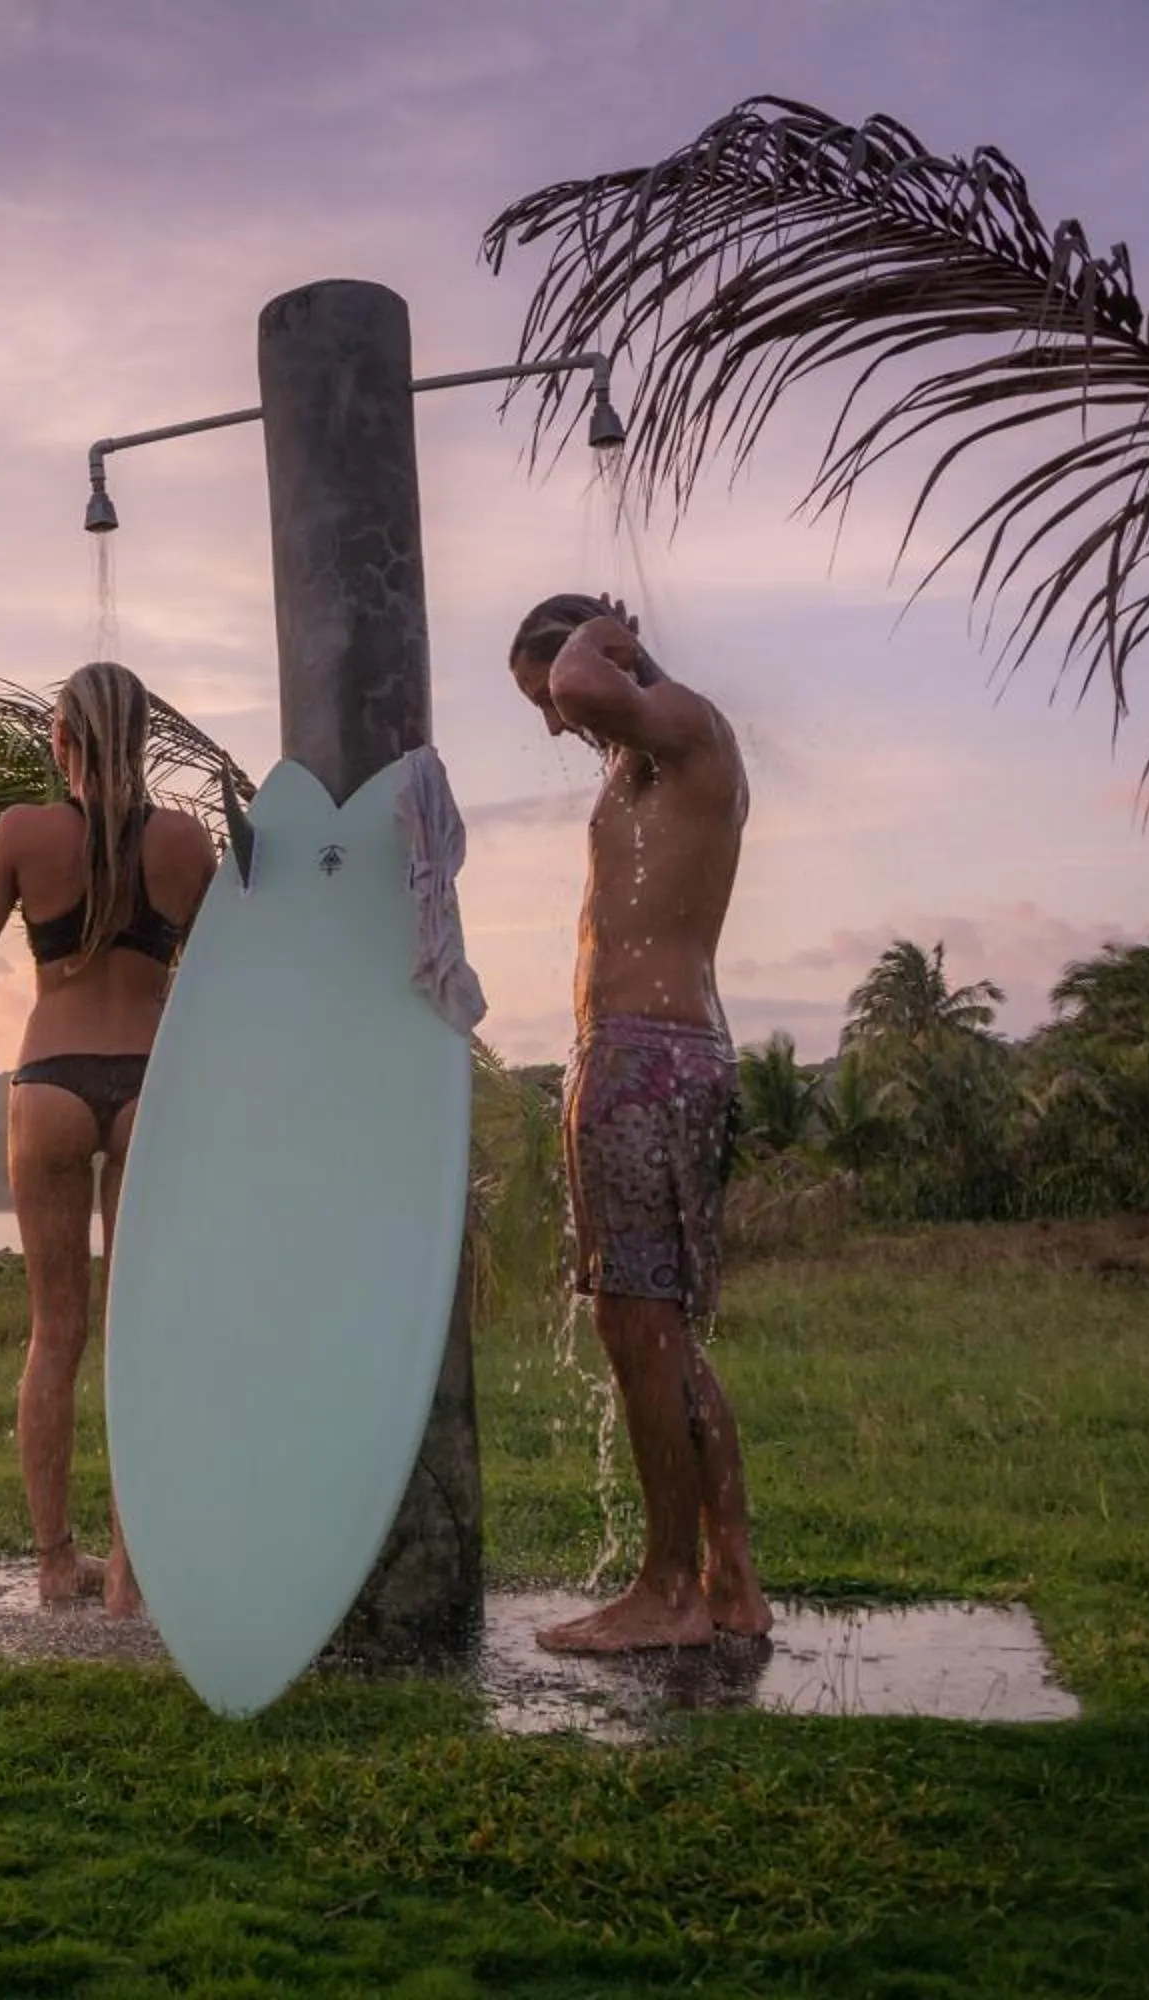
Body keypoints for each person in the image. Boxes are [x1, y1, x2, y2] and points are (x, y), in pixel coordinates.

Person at [505, 592, 770, 1652]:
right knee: (655, 1328)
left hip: (646, 1060)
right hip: (648, 1055)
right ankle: (729, 1577)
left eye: (548, 695)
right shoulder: (648, 762)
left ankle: (667, 1592)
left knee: (636, 1322)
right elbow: (579, 694)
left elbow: (579, 682)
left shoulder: (690, 726)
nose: (555, 721)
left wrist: (593, 640)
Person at [0, 661, 219, 1614]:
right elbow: (222, 977)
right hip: (152, 1084)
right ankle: (131, 1569)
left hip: (52, 1082)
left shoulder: (25, 832)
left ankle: (59, 1563)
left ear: (62, 740)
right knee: (138, 1339)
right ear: (143, 738)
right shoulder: (188, 843)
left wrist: (17, 886)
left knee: (55, 1332)